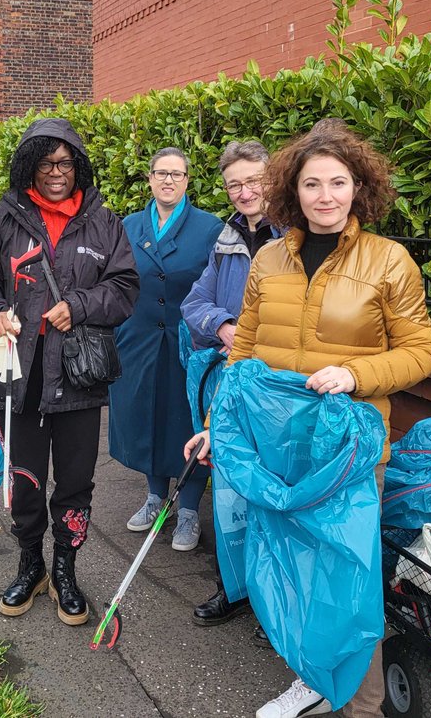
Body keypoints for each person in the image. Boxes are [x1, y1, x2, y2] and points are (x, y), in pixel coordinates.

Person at [184, 119, 431, 718]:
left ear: (359, 189)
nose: (326, 196)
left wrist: (355, 375)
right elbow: (242, 355)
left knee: (349, 582)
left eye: (339, 183)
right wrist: (220, 426)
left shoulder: (389, 261)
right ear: (291, 192)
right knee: (291, 573)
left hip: (347, 452)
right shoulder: (269, 259)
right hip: (277, 452)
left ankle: (362, 706)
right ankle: (312, 680)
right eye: (312, 184)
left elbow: (420, 351)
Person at [0, 118, 138, 626]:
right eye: (45, 163)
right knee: (23, 478)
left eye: (64, 163)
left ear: (77, 165)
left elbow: (125, 287)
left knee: (76, 481)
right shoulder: (2, 219)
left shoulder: (104, 221)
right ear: (30, 167)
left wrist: (80, 305)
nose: (56, 172)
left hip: (79, 377)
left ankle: (65, 568)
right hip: (21, 376)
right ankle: (30, 564)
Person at [180, 139, 280, 624]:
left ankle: (272, 602)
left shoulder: (293, 236)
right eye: (234, 184)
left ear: (273, 178)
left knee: (272, 492)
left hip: (280, 388)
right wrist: (223, 325)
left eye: (254, 181)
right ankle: (232, 587)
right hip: (234, 382)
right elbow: (193, 303)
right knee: (230, 488)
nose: (244, 192)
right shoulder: (226, 239)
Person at [108, 148, 221, 551]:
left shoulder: (210, 228)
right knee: (146, 419)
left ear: (188, 181)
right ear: (150, 179)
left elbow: (218, 286)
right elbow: (115, 281)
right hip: (138, 340)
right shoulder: (128, 225)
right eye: (161, 173)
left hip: (188, 343)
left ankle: (188, 509)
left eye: (177, 174)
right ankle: (156, 499)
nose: (168, 180)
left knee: (187, 420)